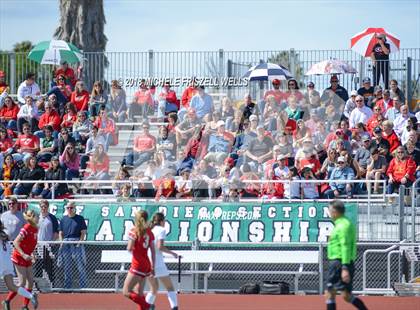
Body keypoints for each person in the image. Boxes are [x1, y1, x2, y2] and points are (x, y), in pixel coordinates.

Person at [325, 200, 368, 310]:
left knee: (330, 292)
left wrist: (344, 267)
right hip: (340, 262)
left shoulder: (343, 225)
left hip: (339, 263)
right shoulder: (342, 223)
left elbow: (345, 246)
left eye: (330, 211)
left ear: (335, 211)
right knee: (346, 296)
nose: (329, 213)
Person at [1, 219, 38, 310]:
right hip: (7, 262)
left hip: (2, 261)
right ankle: (30, 295)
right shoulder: (5, 233)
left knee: (22, 282)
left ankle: (23, 303)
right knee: (12, 285)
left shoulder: (31, 229)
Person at [122, 210, 155, 310]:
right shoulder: (149, 232)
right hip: (146, 264)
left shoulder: (134, 231)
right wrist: (153, 266)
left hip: (137, 264)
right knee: (139, 292)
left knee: (126, 291)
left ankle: (148, 306)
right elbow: (153, 251)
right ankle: (145, 307)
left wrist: (131, 245)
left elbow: (129, 248)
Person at [146, 212, 179, 310]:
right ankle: (174, 307)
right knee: (169, 287)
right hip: (157, 262)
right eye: (164, 220)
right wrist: (173, 253)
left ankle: (146, 306)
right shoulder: (161, 230)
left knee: (153, 289)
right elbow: (160, 247)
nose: (165, 222)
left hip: (147, 260)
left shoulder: (150, 230)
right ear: (161, 221)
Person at [59, 201, 87, 289]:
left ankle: (83, 287)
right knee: (67, 266)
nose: (69, 209)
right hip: (66, 243)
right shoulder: (63, 219)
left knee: (80, 266)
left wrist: (80, 242)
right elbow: (60, 232)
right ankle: (68, 287)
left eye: (71, 208)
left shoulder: (80, 218)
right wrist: (61, 242)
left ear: (75, 208)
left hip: (76, 242)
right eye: (68, 208)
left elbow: (83, 232)